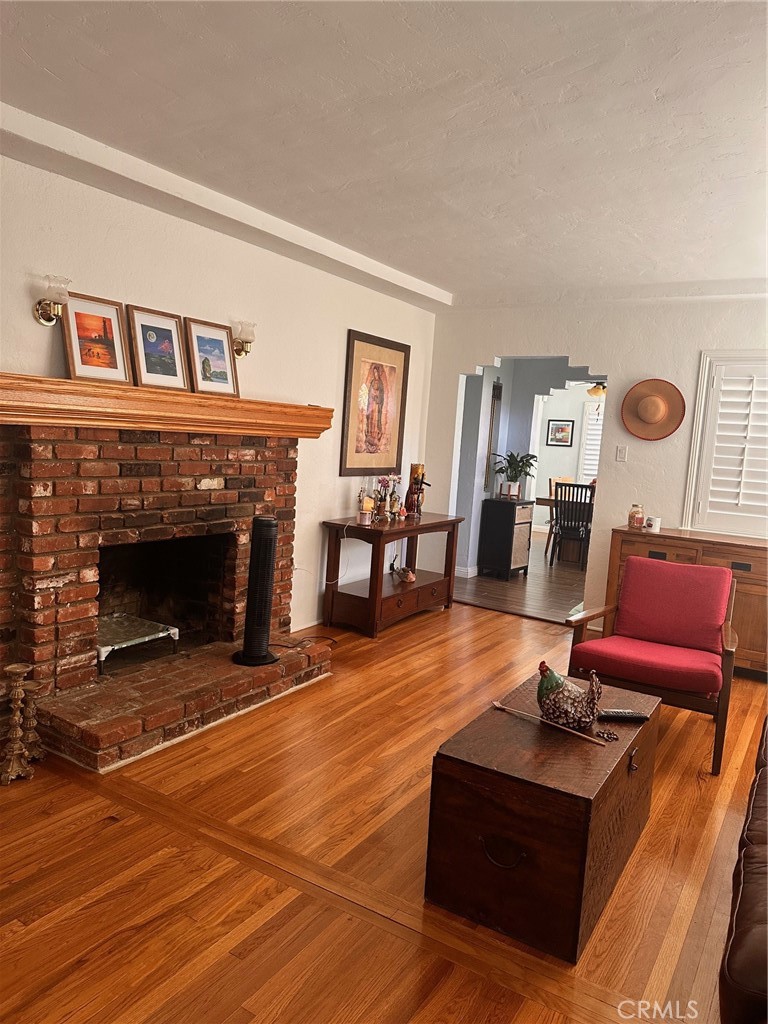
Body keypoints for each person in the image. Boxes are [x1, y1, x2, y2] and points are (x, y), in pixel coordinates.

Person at [366, 364, 386, 445]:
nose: (375, 374)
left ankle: (375, 436)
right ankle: (370, 435)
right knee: (371, 419)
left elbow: (381, 395)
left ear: (378, 373)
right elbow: (369, 393)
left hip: (377, 405)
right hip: (372, 404)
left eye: (376, 372)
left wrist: (377, 396)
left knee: (376, 419)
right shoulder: (372, 382)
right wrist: (372, 395)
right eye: (374, 372)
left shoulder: (380, 383)